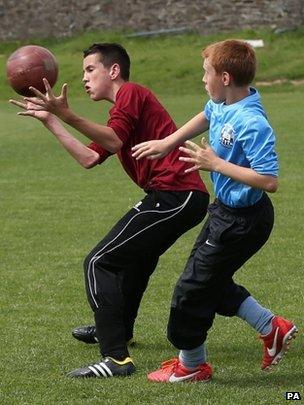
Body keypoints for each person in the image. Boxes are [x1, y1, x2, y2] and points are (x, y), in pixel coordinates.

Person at [10, 43, 210, 378]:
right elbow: (89, 158)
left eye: (90, 70)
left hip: (177, 194)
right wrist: (50, 120)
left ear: (113, 71)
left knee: (98, 261)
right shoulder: (120, 109)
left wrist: (66, 113)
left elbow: (114, 141)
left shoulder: (130, 92)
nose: (85, 79)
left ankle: (115, 358)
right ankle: (119, 331)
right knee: (134, 262)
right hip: (176, 195)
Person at [132, 39, 298, 383]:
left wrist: (216, 164)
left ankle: (192, 366)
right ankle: (272, 327)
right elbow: (208, 114)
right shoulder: (222, 102)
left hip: (245, 221)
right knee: (209, 280)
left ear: (224, 77)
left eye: (206, 73)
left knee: (192, 290)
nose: (202, 80)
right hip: (224, 213)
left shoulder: (252, 121)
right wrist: (167, 142)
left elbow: (269, 180)